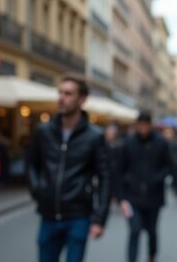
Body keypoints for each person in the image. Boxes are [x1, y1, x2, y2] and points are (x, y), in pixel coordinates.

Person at [27, 74, 110, 262]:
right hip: (48, 215)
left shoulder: (94, 136)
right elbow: (31, 165)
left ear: (82, 99)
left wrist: (99, 219)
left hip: (78, 216)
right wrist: (37, 190)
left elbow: (105, 177)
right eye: (60, 92)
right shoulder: (44, 131)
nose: (61, 98)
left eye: (68, 93)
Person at [117, 112, 171, 262]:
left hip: (154, 197)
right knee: (134, 229)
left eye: (145, 125)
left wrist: (157, 179)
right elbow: (120, 170)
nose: (143, 128)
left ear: (150, 125)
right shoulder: (128, 143)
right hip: (132, 196)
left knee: (152, 231)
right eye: (140, 125)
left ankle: (152, 255)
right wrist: (121, 197)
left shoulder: (161, 142)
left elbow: (168, 166)